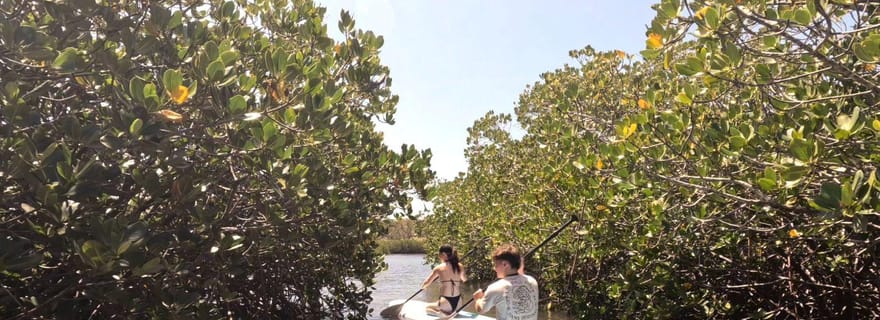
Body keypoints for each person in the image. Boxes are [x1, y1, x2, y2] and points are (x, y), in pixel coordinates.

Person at [472, 243, 538, 320]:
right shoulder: (532, 281)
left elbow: (481, 310)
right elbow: (519, 276)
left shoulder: (495, 288)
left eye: (495, 265)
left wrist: (478, 299)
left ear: (505, 264)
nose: (494, 268)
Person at [420, 244, 467, 315]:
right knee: (439, 306)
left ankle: (441, 314)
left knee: (427, 308)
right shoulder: (459, 266)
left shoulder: (439, 268)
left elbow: (426, 283)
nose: (438, 256)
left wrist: (423, 287)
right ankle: (448, 312)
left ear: (444, 254)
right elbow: (464, 279)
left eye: (439, 254)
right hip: (458, 303)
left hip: (446, 302)